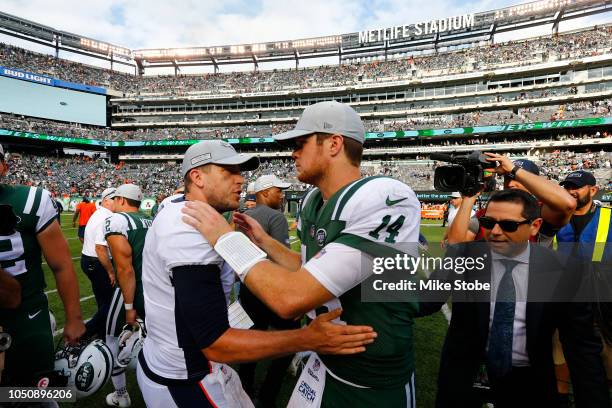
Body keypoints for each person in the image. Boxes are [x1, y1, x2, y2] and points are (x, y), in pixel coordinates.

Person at [182, 101, 422, 406]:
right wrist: (265, 242)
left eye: (301, 144)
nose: (293, 153)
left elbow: (291, 299)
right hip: (325, 363)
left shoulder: (386, 198)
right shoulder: (313, 201)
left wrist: (226, 239)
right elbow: (311, 268)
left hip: (372, 379)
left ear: (334, 144)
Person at [138, 140, 377, 408]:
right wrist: (306, 338)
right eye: (229, 172)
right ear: (197, 177)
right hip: (189, 377)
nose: (241, 180)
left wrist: (260, 241)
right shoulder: (188, 228)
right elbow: (215, 342)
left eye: (240, 172)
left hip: (188, 364)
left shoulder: (186, 208)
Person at [418, 189, 610, 408]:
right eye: (489, 223)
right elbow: (427, 299)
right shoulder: (463, 255)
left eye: (508, 225)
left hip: (531, 381)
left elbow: (582, 347)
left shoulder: (565, 270)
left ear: (535, 225)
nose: (495, 232)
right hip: (466, 376)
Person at [0, 144, 85, 387]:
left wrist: (74, 317)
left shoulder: (30, 200)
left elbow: (61, 265)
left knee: (39, 391)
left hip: (27, 314)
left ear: (5, 167)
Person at [239, 174, 299, 406]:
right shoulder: (276, 216)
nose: (282, 195)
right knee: (292, 339)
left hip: (248, 287)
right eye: (278, 191)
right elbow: (281, 259)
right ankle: (267, 395)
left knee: (252, 341)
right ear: (265, 192)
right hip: (270, 288)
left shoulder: (243, 216)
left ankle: (244, 390)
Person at [556, 170, 612, 390]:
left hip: (601, 294)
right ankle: (562, 395)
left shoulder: (608, 216)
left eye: (576, 187)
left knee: (607, 348)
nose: (571, 191)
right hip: (564, 293)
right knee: (559, 343)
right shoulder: (557, 215)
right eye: (567, 186)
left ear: (593, 190)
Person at [446, 157, 576, 246]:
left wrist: (514, 170)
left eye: (518, 179)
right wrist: (469, 197)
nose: (512, 184)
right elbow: (456, 245)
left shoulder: (540, 212)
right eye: (508, 178)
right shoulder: (486, 215)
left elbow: (567, 204)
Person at [104, 184, 152, 408]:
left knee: (113, 339)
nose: (112, 204)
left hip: (130, 290)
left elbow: (126, 270)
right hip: (154, 290)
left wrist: (129, 304)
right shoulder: (151, 220)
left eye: (115, 199)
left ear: (122, 200)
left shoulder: (118, 221)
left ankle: (121, 393)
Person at [80, 187, 116, 340]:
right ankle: (85, 332)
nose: (119, 202)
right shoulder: (106, 217)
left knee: (103, 301)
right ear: (106, 200)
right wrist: (111, 271)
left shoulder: (100, 213)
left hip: (89, 260)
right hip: (97, 262)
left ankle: (102, 334)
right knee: (110, 303)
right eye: (116, 199)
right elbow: (100, 248)